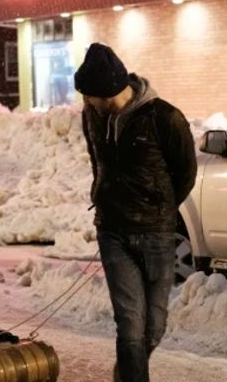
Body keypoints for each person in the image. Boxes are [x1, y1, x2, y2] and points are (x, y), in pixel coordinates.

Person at [75, 43, 197, 382]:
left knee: (154, 326)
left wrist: (158, 207)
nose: (84, 101)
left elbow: (185, 174)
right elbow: (97, 161)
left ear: (106, 90)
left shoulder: (165, 118)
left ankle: (126, 374)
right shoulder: (93, 117)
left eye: (88, 94)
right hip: (113, 232)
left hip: (156, 234)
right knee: (130, 324)